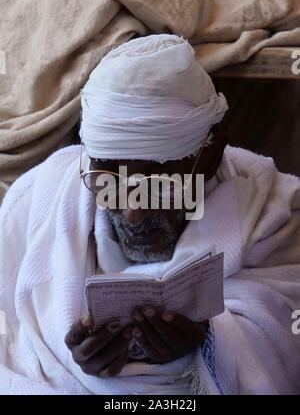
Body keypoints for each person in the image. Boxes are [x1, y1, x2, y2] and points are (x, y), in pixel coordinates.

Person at [0, 34, 299, 395]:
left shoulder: (277, 216)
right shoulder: (36, 199)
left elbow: (286, 340)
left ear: (210, 156)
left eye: (159, 184)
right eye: (107, 180)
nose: (134, 213)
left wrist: (207, 347)